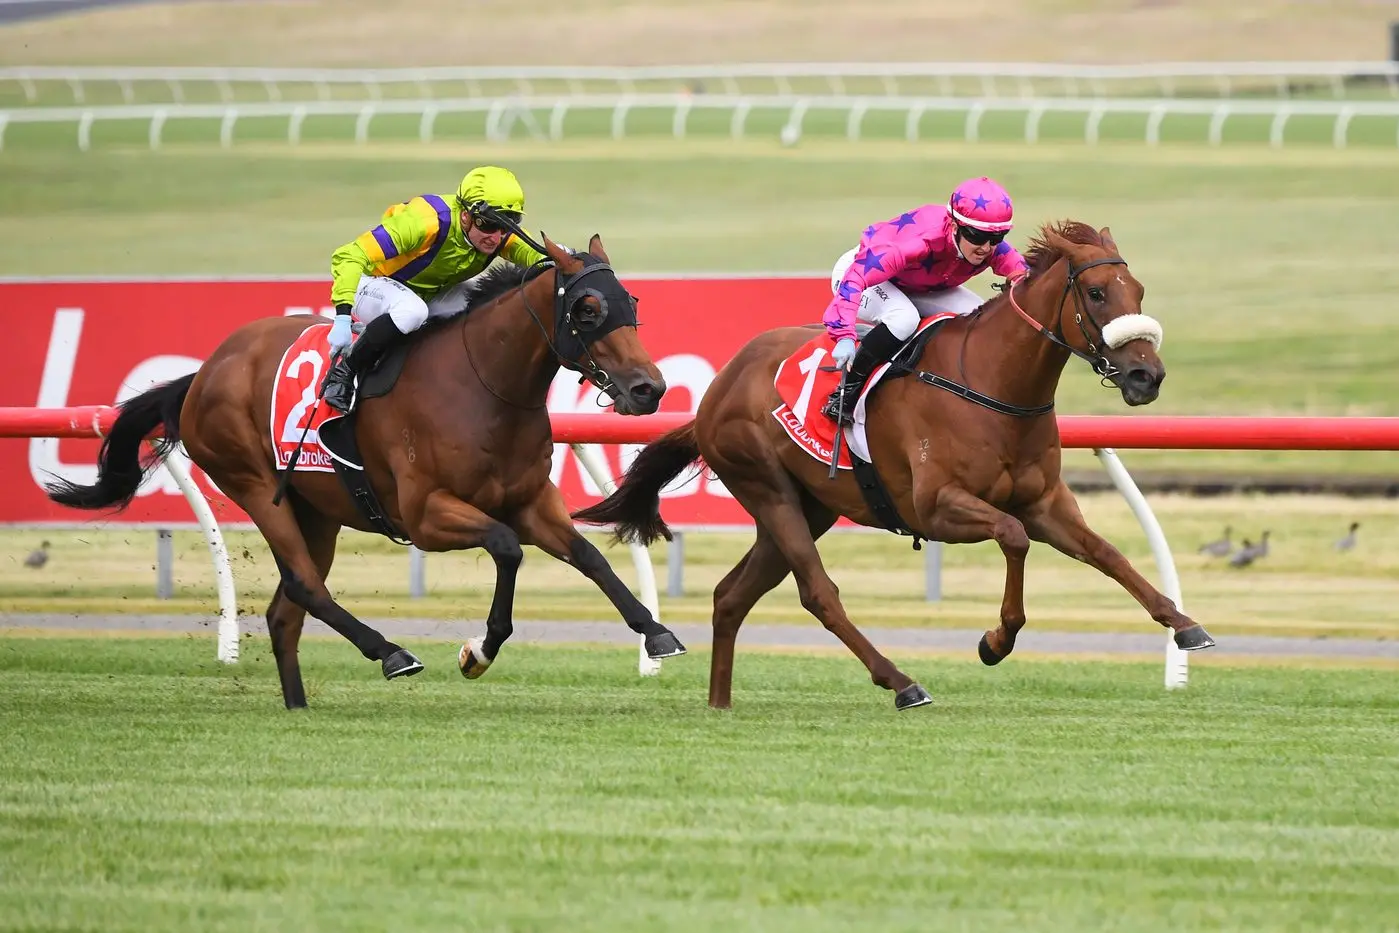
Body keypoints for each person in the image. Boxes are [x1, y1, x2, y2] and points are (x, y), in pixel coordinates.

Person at [319, 165, 551, 413]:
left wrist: (571, 260)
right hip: (370, 283)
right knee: (412, 311)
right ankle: (344, 372)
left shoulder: (498, 233)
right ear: (465, 216)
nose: (496, 237)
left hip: (424, 293)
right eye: (489, 225)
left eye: (506, 226)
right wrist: (342, 317)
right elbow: (348, 255)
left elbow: (543, 257)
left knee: (485, 308)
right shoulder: (426, 222)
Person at [820, 176, 1030, 423]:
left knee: (979, 317)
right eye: (976, 236)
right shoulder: (918, 242)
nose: (985, 248)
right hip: (861, 275)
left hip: (918, 284)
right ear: (955, 226)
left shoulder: (988, 245)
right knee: (903, 319)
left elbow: (1026, 276)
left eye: (996, 238)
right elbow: (855, 278)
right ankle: (846, 393)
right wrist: (844, 335)